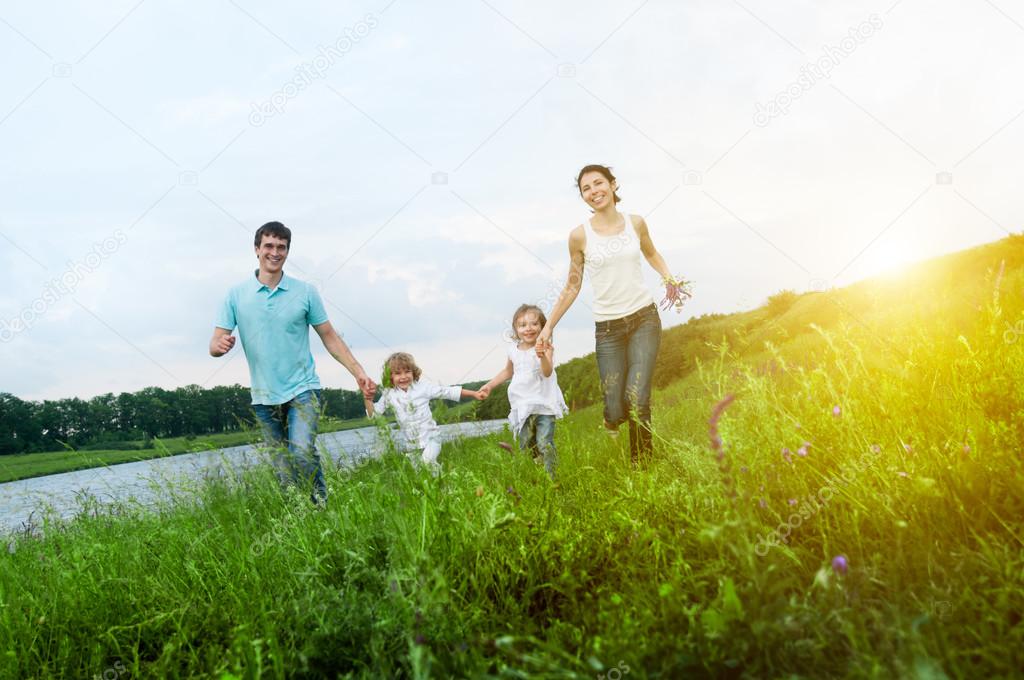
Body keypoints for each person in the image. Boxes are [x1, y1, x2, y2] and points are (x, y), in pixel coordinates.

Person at [210, 221, 376, 504]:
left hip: (303, 388)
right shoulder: (236, 295)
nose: (275, 252)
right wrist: (220, 345)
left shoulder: (306, 292)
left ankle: (321, 506)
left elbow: (330, 337)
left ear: (287, 251)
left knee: (300, 450)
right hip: (263, 397)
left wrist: (357, 371)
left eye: (281, 247)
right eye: (269, 246)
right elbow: (215, 343)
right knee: (283, 469)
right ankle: (301, 516)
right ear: (257, 249)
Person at [537, 164, 689, 467]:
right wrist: (548, 327)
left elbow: (651, 253)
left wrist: (669, 278)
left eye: (598, 183)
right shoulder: (579, 237)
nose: (594, 191)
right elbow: (573, 284)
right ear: (583, 197)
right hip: (608, 330)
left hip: (644, 318)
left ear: (613, 184)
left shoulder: (636, 223)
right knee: (616, 406)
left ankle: (641, 466)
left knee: (638, 397)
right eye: (586, 189)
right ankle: (611, 419)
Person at [479, 304, 568, 480]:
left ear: (543, 327)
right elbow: (507, 372)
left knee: (544, 442)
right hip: (522, 405)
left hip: (543, 404)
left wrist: (541, 356)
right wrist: (489, 385)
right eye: (522, 325)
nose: (528, 328)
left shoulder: (545, 347)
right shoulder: (513, 350)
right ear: (516, 329)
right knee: (525, 443)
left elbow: (547, 372)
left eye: (534, 324)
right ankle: (534, 471)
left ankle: (552, 478)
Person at [364, 351, 483, 474]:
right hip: (412, 445)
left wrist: (474, 393)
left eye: (407, 371)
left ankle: (444, 485)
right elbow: (374, 415)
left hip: (432, 439)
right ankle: (441, 487)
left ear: (413, 372)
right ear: (390, 376)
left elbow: (447, 391)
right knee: (421, 474)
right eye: (398, 373)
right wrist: (368, 398)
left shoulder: (423, 387)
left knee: (427, 462)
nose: (403, 376)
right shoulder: (389, 393)